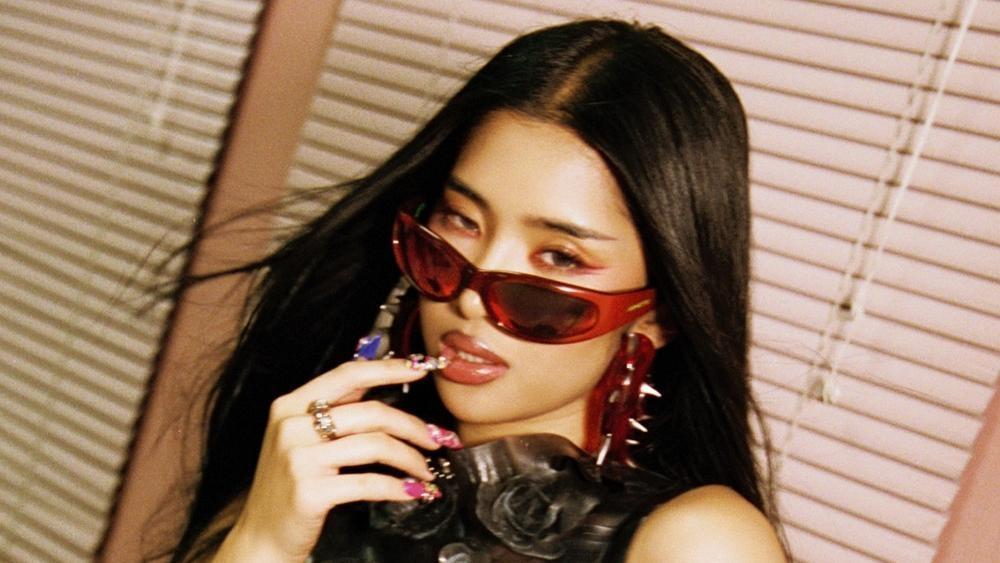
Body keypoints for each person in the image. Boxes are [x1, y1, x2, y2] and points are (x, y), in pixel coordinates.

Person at [166, 18, 786, 562]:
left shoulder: (697, 542)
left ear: (658, 314)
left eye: (560, 257)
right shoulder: (318, 477)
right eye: (461, 222)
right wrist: (262, 544)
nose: (468, 298)